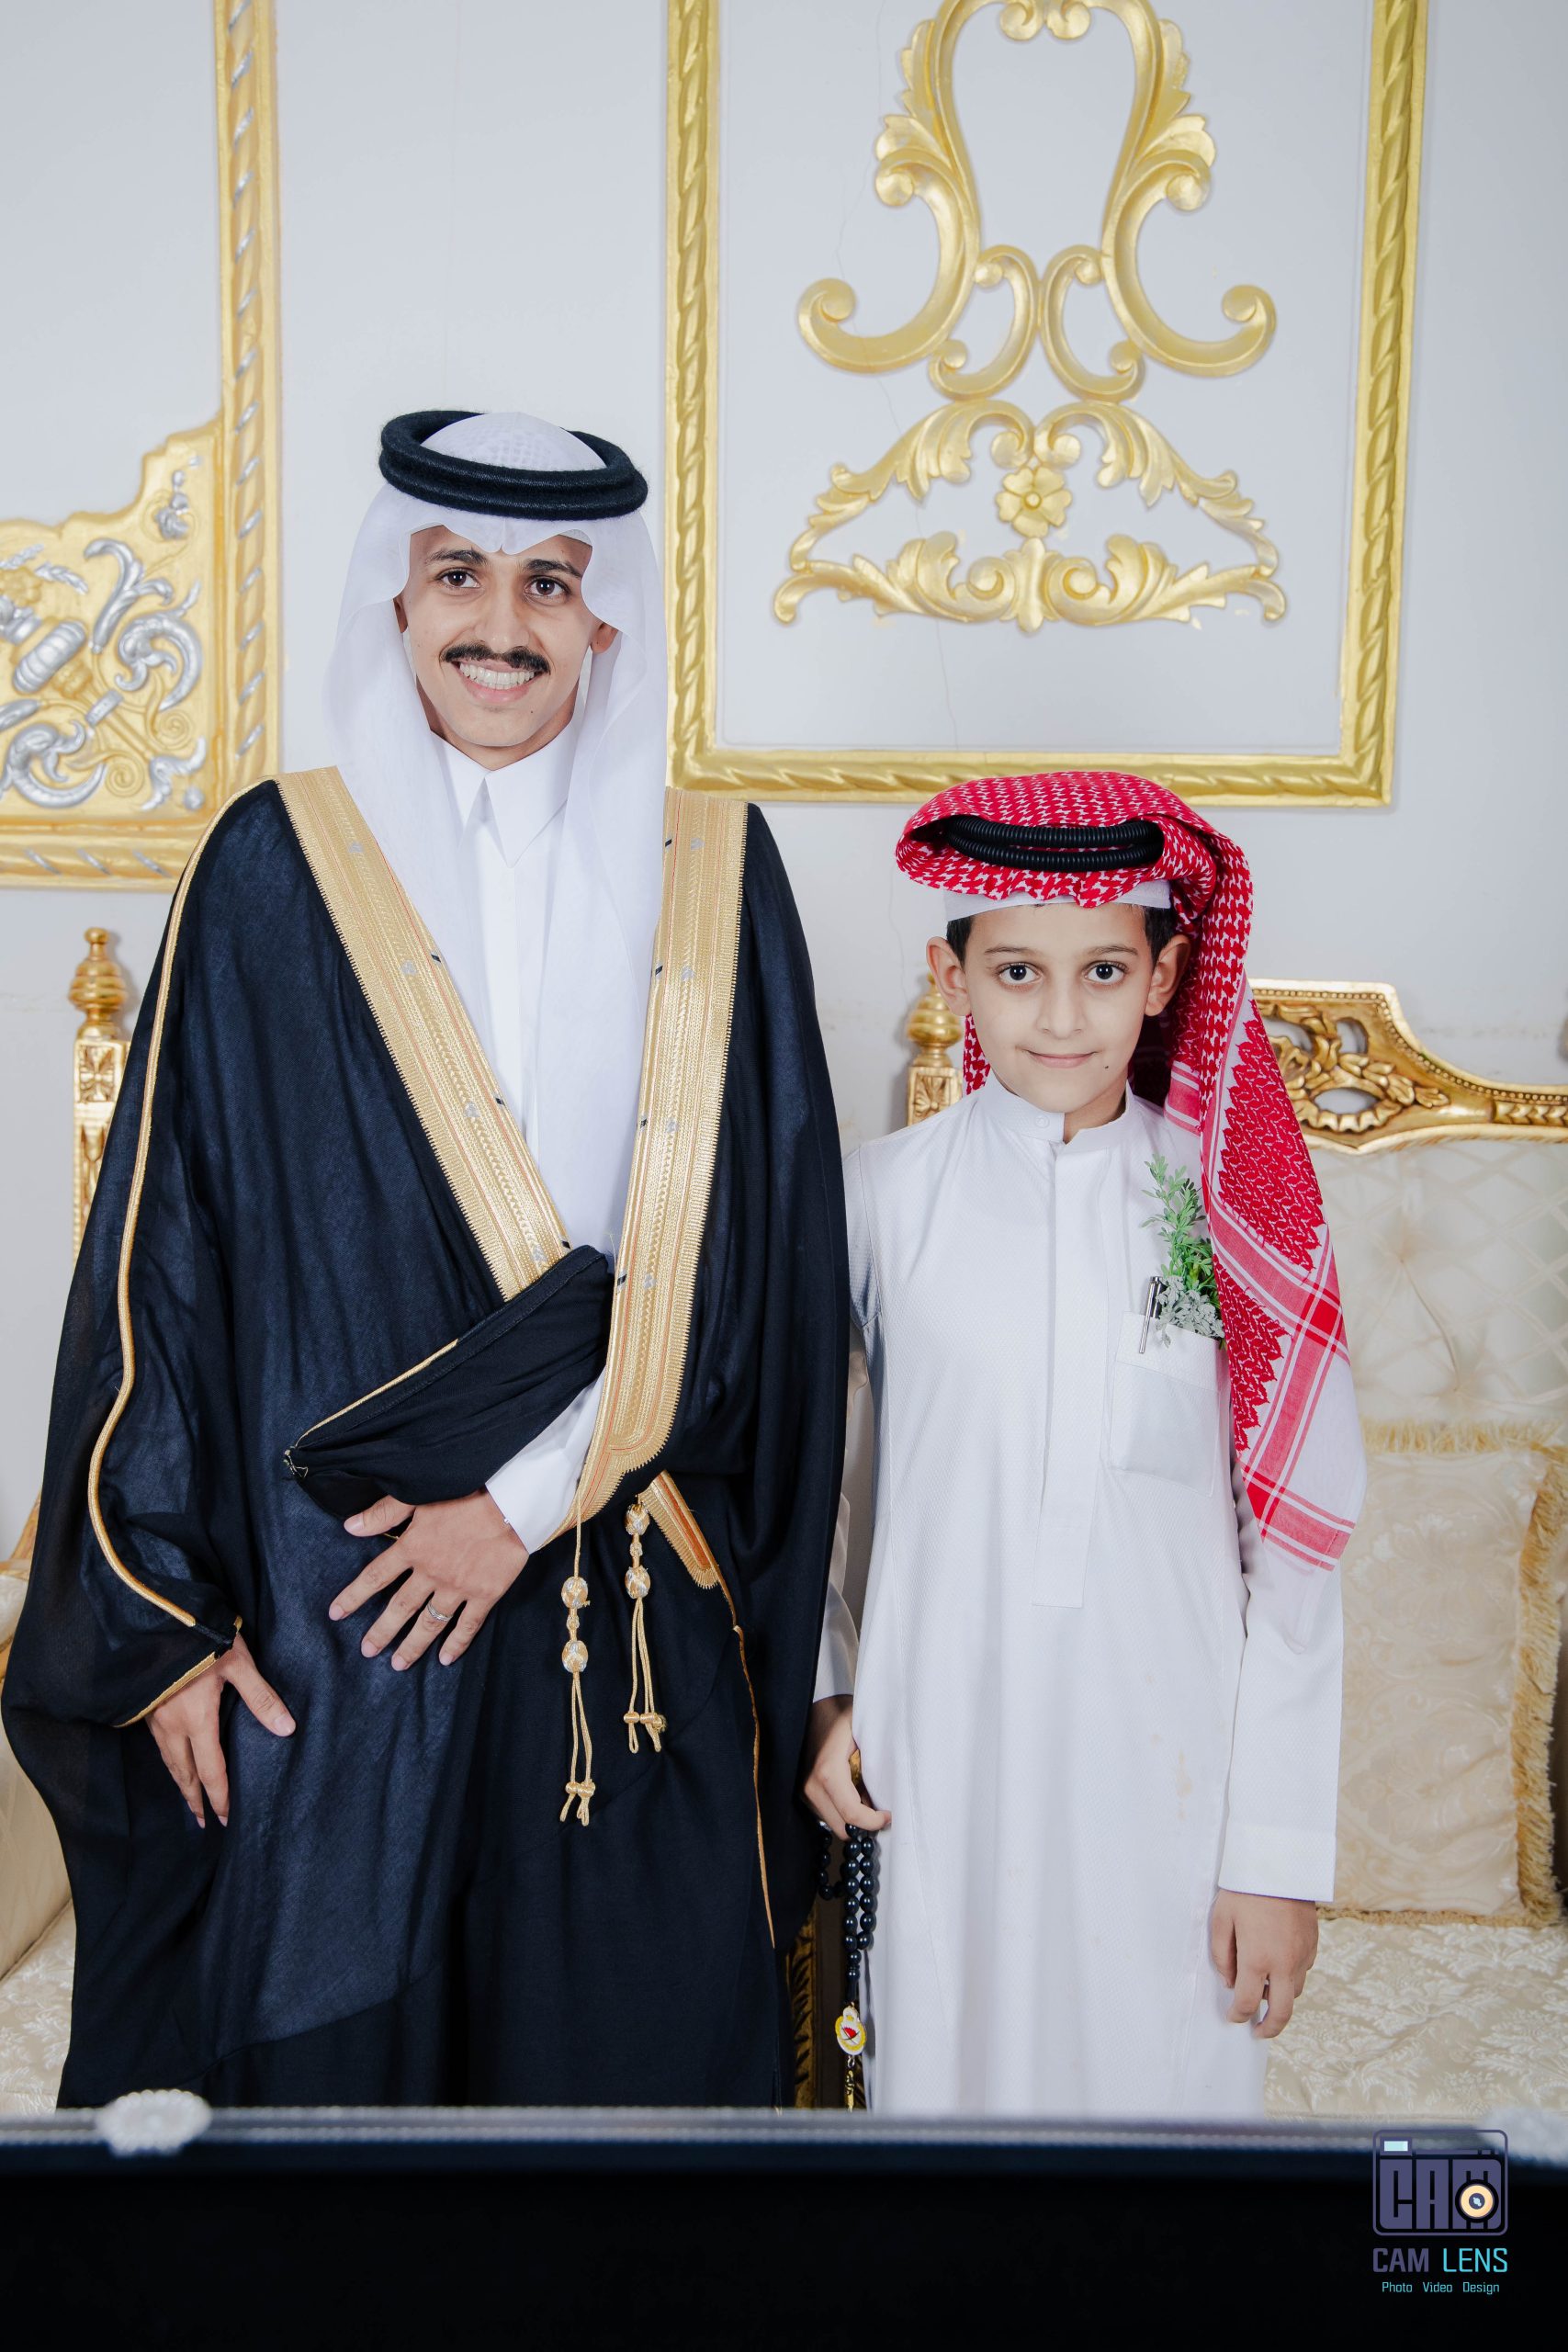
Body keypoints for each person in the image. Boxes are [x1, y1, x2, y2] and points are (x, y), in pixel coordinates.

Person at [6, 411, 847, 2107]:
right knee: (336, 2100)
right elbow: (167, 1260)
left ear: (606, 618)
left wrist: (516, 1508)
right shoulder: (270, 864)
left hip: (625, 1587)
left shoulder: (715, 870)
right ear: (396, 600)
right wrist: (162, 1621)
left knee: (627, 2098)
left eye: (551, 584)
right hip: (339, 1613)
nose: (502, 625)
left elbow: (758, 1262)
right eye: (459, 574)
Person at [801, 771, 1364, 2119]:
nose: (1060, 1016)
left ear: (1165, 978)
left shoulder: (1226, 1209)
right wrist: (823, 1696)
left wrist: (1276, 1855)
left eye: (1104, 970)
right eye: (1018, 972)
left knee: (1166, 2146)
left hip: (1171, 1768)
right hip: (940, 1748)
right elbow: (793, 1483)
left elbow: (1295, 1557)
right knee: (942, 2120)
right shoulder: (880, 1198)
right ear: (953, 977)